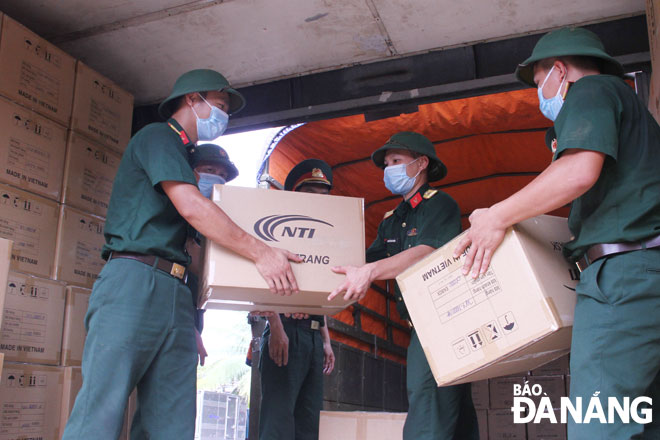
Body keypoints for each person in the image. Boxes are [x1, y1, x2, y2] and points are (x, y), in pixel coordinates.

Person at [62, 69, 302, 440]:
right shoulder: (159, 138)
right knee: (101, 414)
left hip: (175, 295)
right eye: (219, 105)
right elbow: (192, 208)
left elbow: (199, 252)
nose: (223, 116)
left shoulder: (184, 159)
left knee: (171, 423)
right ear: (193, 99)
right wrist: (262, 252)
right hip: (133, 281)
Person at [454, 27, 660, 439]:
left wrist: (496, 216)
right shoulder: (637, 119)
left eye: (538, 84)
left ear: (560, 71)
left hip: (623, 278)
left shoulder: (593, 90)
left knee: (599, 424)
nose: (541, 96)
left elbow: (578, 171)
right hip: (645, 275)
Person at [329, 132, 479, 440]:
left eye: (396, 161)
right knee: (452, 412)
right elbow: (361, 259)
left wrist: (370, 272)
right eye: (386, 164)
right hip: (420, 325)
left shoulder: (440, 205)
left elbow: (426, 252)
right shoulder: (391, 220)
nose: (389, 170)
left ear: (421, 163)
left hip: (444, 321)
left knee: (427, 408)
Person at [259, 159, 336, 440]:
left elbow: (320, 293)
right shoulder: (276, 231)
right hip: (286, 332)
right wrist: (276, 328)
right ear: (295, 195)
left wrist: (326, 341)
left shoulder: (326, 238)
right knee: (278, 424)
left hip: (314, 339)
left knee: (308, 426)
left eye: (324, 196)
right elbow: (259, 286)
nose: (319, 201)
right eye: (311, 194)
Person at [186, 143, 240, 365]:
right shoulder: (179, 212)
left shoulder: (209, 228)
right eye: (209, 171)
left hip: (192, 321)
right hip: (177, 322)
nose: (217, 180)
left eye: (222, 176)